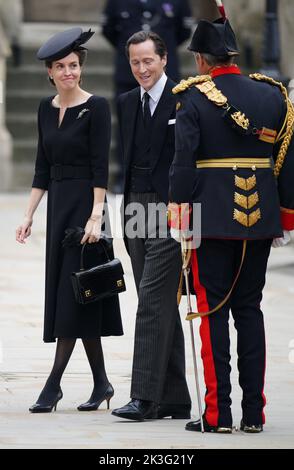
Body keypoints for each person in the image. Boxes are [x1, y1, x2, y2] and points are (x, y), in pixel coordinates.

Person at [169, 18, 294, 433]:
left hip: (211, 219)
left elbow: (183, 164)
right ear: (234, 57)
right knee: (249, 310)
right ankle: (254, 416)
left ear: (201, 59)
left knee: (211, 313)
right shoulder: (273, 95)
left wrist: (180, 217)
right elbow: (286, 163)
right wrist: (286, 217)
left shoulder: (192, 97)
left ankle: (218, 413)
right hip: (260, 219)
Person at [16, 27, 123, 413]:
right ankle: (102, 384)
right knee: (80, 296)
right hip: (59, 207)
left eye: (74, 65)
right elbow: (42, 166)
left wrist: (96, 216)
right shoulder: (46, 108)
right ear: (49, 72)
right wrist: (28, 214)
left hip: (86, 210)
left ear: (82, 68)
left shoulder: (97, 107)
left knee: (71, 296)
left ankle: (53, 385)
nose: (68, 72)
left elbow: (101, 167)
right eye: (60, 67)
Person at [111, 31, 191, 422]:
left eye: (148, 61)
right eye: (134, 62)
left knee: (150, 302)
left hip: (171, 212)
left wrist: (190, 218)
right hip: (134, 209)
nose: (141, 69)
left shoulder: (185, 99)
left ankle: (143, 398)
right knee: (160, 303)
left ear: (163, 59)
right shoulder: (126, 102)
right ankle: (174, 397)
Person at [101, 0, 193, 193]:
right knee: (127, 129)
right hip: (128, 77)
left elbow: (183, 32)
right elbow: (109, 29)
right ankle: (123, 177)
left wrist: (155, 59)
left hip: (164, 75)